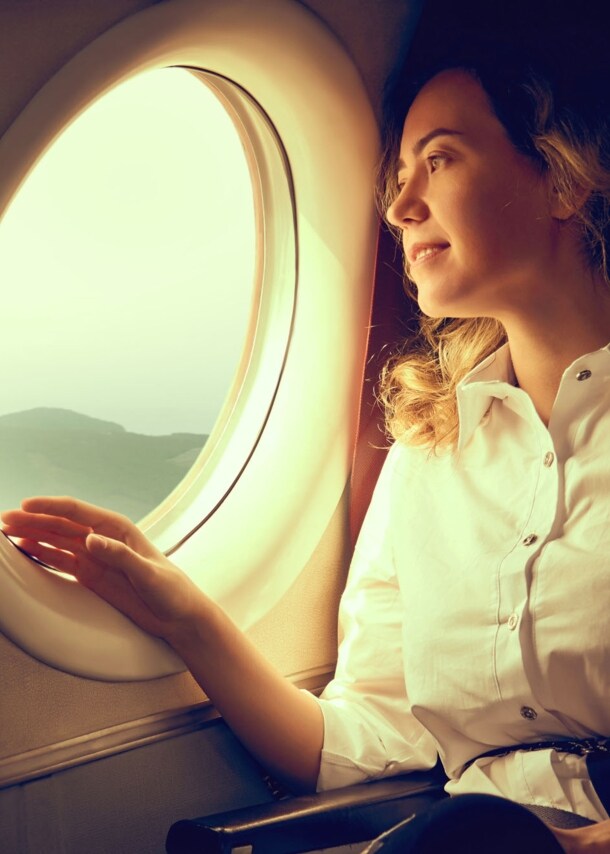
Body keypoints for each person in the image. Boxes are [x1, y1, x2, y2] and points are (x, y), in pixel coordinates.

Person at [2, 42, 610, 852]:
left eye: (440, 159)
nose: (400, 207)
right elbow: (367, 740)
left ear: (563, 178)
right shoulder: (431, 457)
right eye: (400, 177)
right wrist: (183, 617)